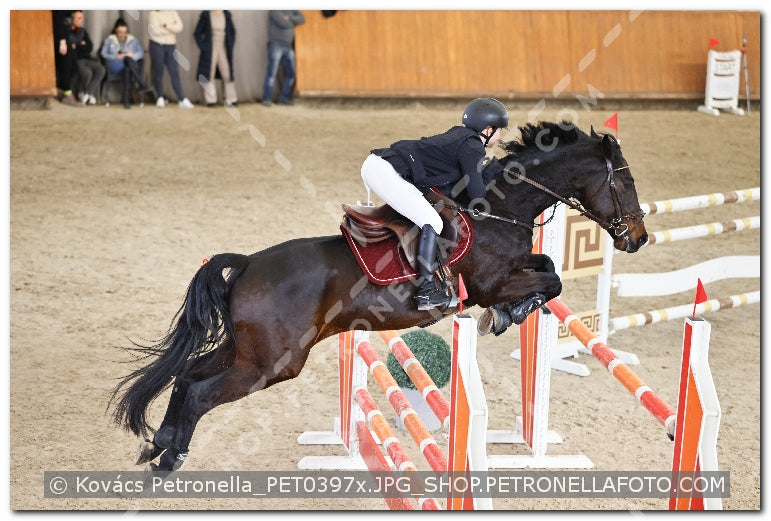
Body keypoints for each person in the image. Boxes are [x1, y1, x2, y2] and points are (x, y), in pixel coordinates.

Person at [361, 98, 508, 310]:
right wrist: (493, 170)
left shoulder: (460, 135)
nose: (500, 136)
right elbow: (477, 193)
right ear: (488, 129)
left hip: (379, 164)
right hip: (385, 171)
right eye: (499, 131)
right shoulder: (473, 146)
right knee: (432, 221)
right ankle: (427, 291)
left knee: (423, 213)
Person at [53, 10, 105, 106]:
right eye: (79, 18)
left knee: (101, 69)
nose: (81, 20)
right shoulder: (67, 31)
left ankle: (87, 93)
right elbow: (72, 48)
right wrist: (78, 45)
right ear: (72, 19)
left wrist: (76, 46)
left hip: (87, 58)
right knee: (86, 72)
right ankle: (70, 93)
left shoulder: (82, 31)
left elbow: (89, 47)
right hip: (77, 59)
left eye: (82, 18)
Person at [101, 18, 152, 109]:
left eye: (124, 32)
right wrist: (114, 56)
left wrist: (132, 55)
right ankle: (141, 83)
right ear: (115, 30)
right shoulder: (109, 40)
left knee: (128, 65)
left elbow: (141, 54)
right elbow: (103, 53)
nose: (122, 34)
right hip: (115, 66)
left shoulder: (133, 40)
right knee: (128, 62)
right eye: (120, 32)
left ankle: (126, 101)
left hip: (129, 66)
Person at [148, 10, 194, 109]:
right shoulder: (153, 13)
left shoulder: (173, 12)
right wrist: (171, 27)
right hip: (156, 44)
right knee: (158, 71)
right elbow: (155, 30)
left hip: (171, 46)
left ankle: (182, 99)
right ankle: (160, 97)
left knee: (174, 72)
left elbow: (180, 27)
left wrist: (165, 25)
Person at [194, 10, 238, 107]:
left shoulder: (226, 15)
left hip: (223, 48)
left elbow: (232, 32)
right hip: (210, 49)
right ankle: (211, 100)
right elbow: (197, 33)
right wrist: (204, 47)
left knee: (227, 74)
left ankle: (231, 99)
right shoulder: (206, 16)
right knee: (209, 74)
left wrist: (230, 45)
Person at [261, 10, 305, 106]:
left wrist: (289, 18)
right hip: (275, 45)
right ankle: (266, 99)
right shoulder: (274, 9)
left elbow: (302, 19)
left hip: (288, 46)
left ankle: (284, 98)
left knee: (291, 73)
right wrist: (293, 21)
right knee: (272, 73)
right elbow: (283, 23)